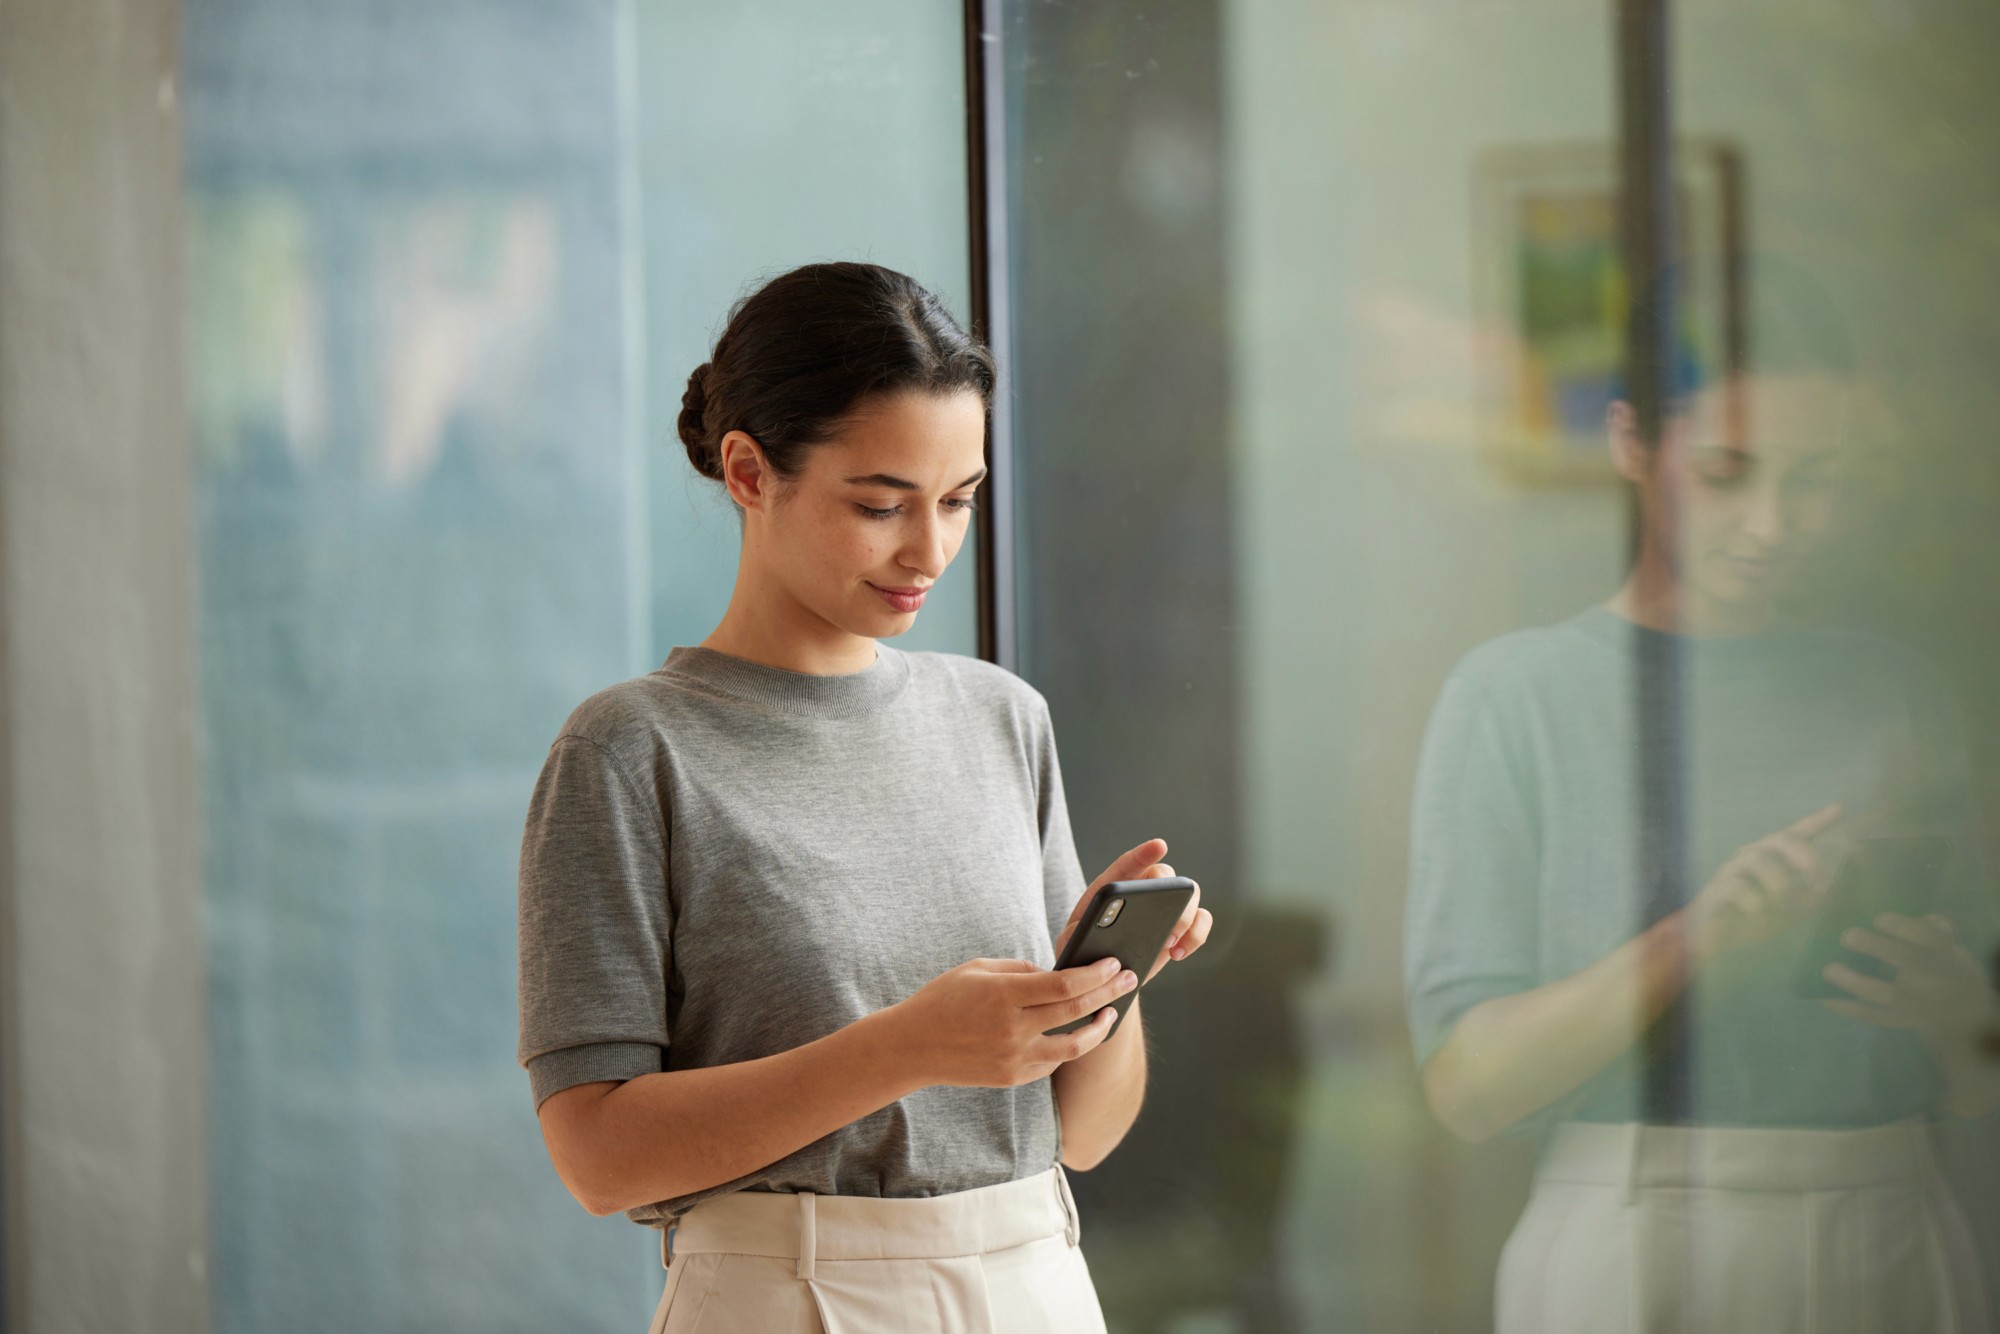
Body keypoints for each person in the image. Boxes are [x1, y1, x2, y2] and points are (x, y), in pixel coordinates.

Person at [516, 261, 1213, 1334]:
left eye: (958, 500)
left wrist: (1104, 984)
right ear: (748, 472)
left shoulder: (1000, 717)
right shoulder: (627, 749)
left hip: (1036, 1276)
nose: (927, 548)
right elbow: (598, 1155)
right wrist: (905, 1046)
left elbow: (1082, 1130)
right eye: (880, 503)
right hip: (786, 1294)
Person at [1404, 258, 2000, 1332]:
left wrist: (1963, 1018)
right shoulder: (1516, 693)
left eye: (1817, 478)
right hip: (1631, 1236)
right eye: (1729, 470)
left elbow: (1976, 1081)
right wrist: (1699, 937)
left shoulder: (1895, 694)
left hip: (1897, 1222)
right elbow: (1468, 1088)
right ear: (1632, 444)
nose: (1777, 522)